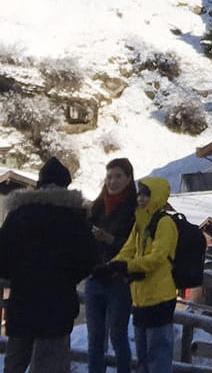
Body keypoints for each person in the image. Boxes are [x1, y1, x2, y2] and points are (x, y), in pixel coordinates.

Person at [0, 158, 98, 373]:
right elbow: (90, 259)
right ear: (66, 185)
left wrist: (20, 275)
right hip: (58, 306)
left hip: (22, 304)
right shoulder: (74, 217)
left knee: (15, 364)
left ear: (39, 183)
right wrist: (66, 279)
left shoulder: (19, 214)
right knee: (51, 366)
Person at [96, 177, 178, 373]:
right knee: (142, 356)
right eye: (140, 194)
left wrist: (127, 266)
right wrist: (112, 265)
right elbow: (128, 248)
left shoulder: (165, 223)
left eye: (146, 194)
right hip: (141, 297)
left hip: (160, 297)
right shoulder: (141, 222)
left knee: (157, 355)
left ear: (156, 196)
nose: (141, 199)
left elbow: (158, 257)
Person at [85, 158, 137, 373]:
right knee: (95, 338)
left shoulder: (134, 209)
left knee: (117, 336)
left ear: (128, 179)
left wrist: (111, 240)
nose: (112, 182)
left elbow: (134, 245)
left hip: (119, 280)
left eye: (118, 176)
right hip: (95, 278)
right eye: (109, 177)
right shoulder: (96, 207)